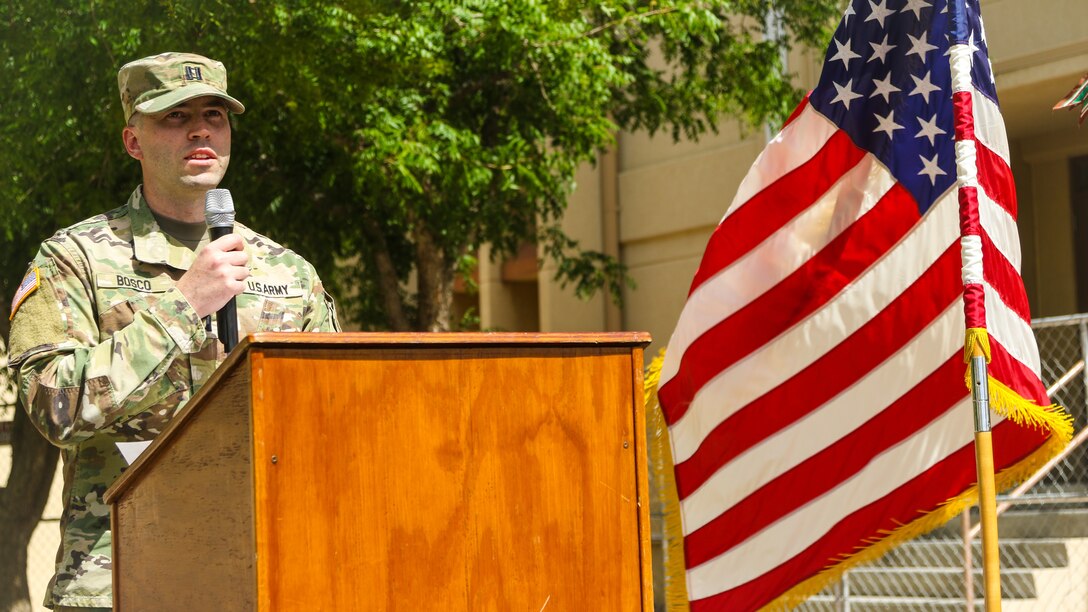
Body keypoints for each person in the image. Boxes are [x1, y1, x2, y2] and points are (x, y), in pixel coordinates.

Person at [7, 52, 340, 611]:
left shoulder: (289, 272)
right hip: (119, 583)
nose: (201, 129)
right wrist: (184, 304)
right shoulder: (73, 258)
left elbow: (331, 428)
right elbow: (52, 406)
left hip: (264, 580)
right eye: (174, 117)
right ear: (133, 142)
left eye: (214, 114)